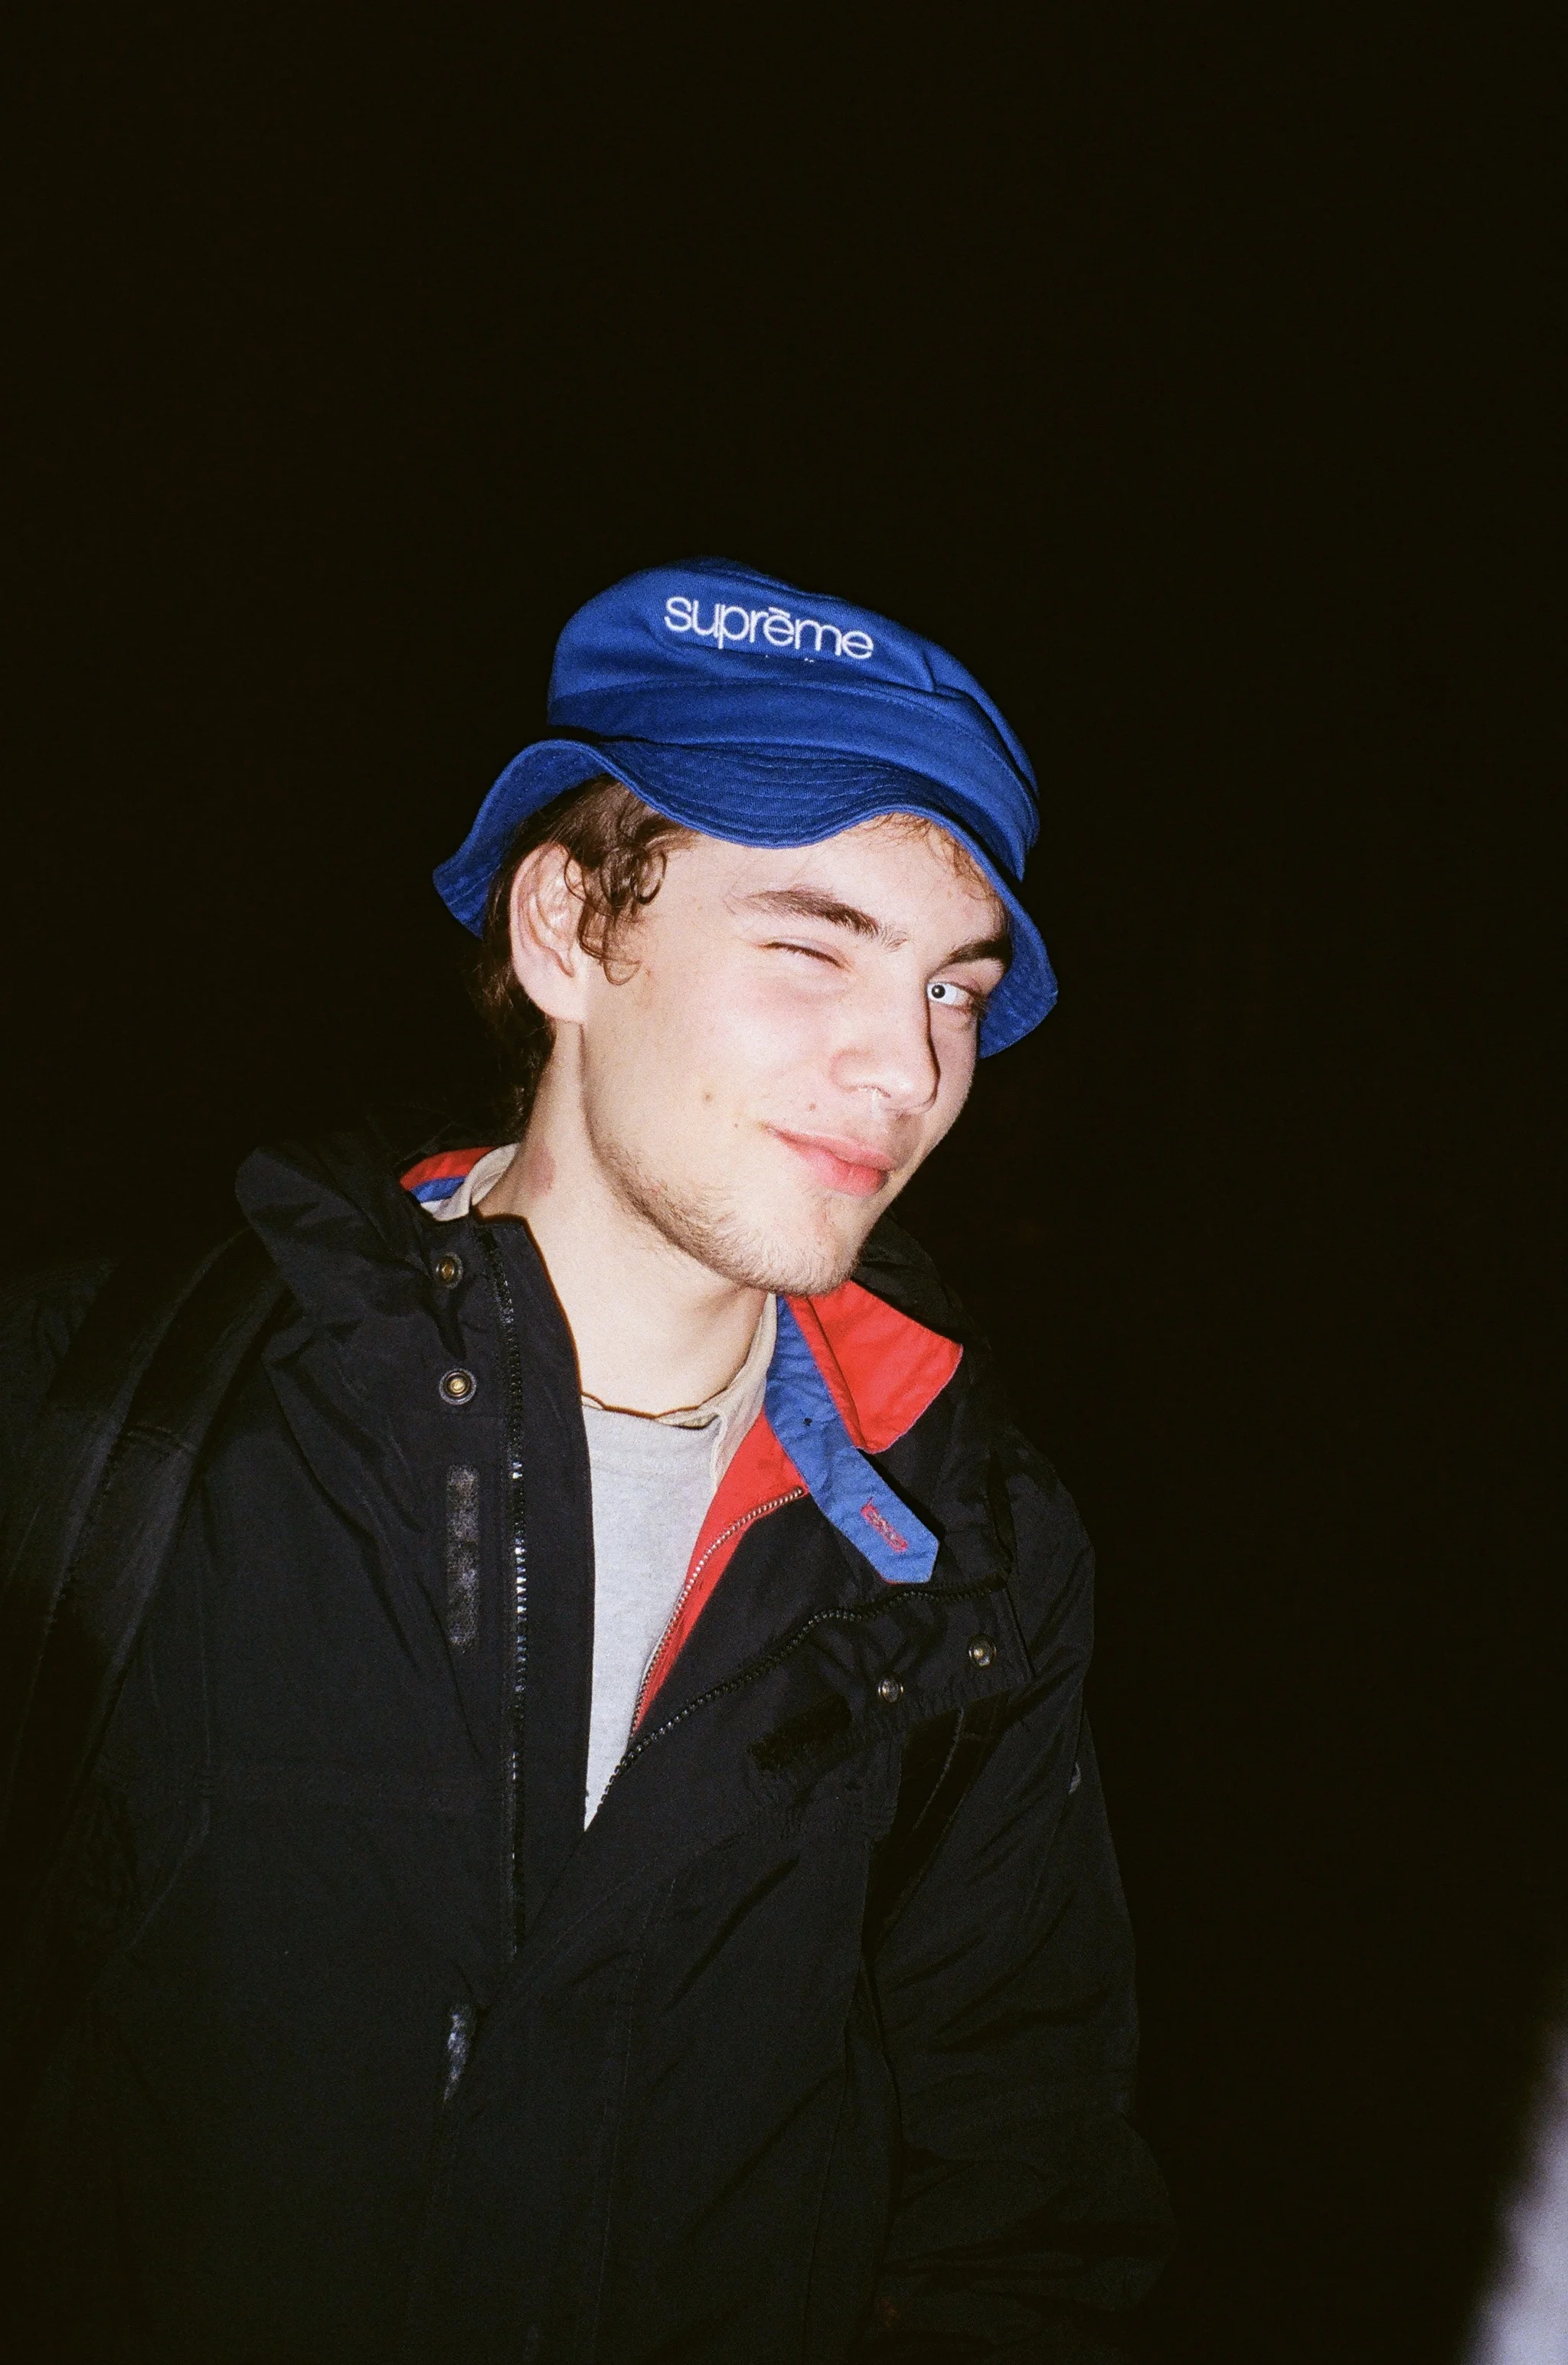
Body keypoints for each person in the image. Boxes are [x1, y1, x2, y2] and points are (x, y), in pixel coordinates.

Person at [0, 560, 1172, 2362]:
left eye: (953, 988)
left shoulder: (967, 1554)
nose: (906, 1068)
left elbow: (1021, 2207)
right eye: (812, 948)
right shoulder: (107, 1411)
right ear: (564, 930)